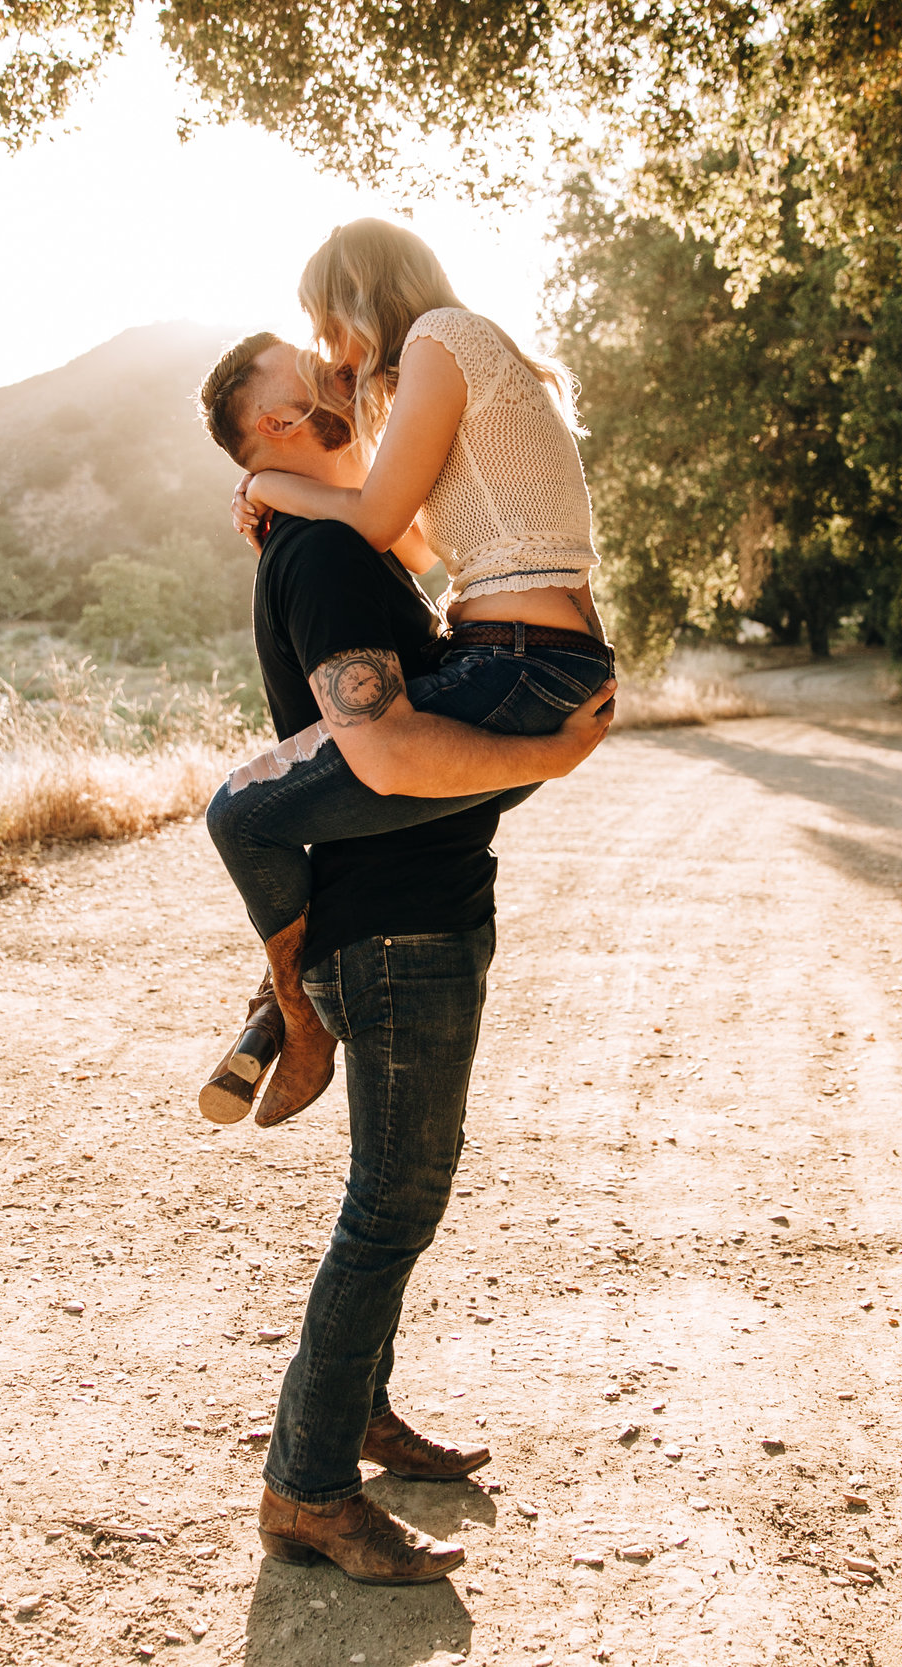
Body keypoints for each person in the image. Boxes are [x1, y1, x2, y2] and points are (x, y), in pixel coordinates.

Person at [193, 330, 615, 1583]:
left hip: (410, 908)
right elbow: (381, 751)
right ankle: (309, 1487)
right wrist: (552, 754)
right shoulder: (324, 557)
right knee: (391, 1204)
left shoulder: (338, 534)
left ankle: (358, 1414)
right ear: (265, 432)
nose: (331, 385)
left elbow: (422, 526)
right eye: (300, 385)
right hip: (397, 932)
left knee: (392, 1199)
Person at [197, 218, 614, 1129]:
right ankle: (284, 1002)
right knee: (350, 790)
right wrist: (299, 480)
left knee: (242, 814)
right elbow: (421, 540)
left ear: (357, 294)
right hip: (522, 660)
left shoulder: (439, 340)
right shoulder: (444, 354)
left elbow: (381, 519)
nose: (328, 352)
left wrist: (271, 485)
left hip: (520, 664)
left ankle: (294, 1005)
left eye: (325, 324)